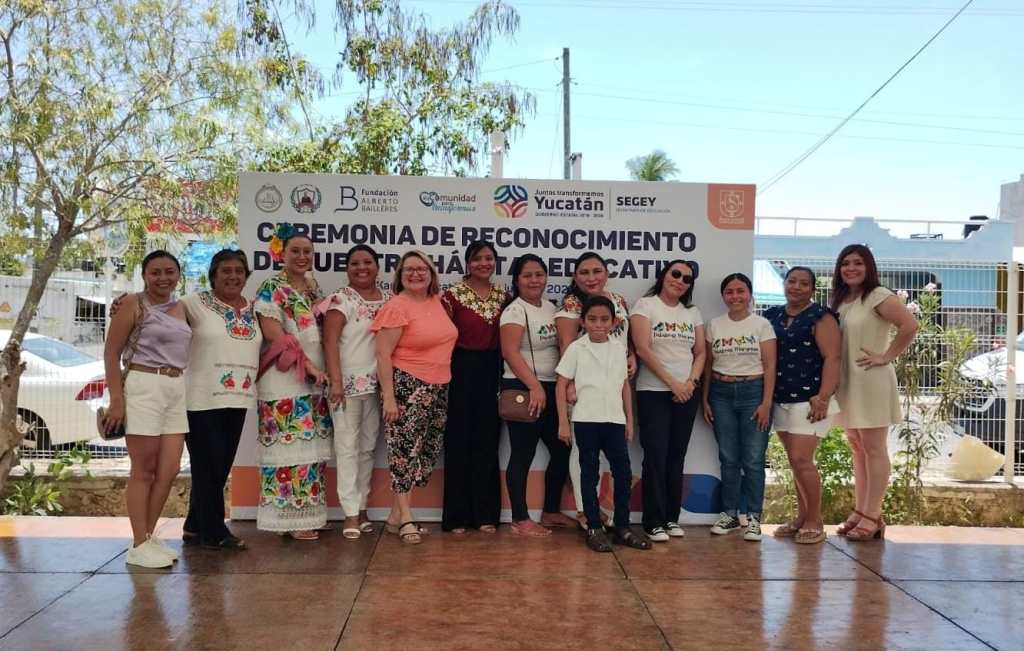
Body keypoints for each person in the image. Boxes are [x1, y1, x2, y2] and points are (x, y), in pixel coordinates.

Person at [103, 250, 192, 568]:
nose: (163, 278)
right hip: (143, 384)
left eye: (170, 271)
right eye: (156, 272)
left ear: (178, 274)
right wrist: (117, 400)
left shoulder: (181, 307)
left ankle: (149, 537)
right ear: (144, 275)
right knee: (144, 470)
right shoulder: (132, 304)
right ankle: (139, 543)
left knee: (169, 471)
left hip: (175, 386)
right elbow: (111, 353)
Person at [831, 244, 918, 542]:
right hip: (849, 381)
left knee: (873, 447)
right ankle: (862, 511)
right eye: (845, 263)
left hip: (871, 379)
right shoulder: (844, 299)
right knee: (857, 445)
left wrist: (887, 356)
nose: (850, 268)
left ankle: (873, 515)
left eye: (857, 263)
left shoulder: (878, 296)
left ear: (869, 267)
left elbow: (909, 325)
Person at [372, 250, 457, 545]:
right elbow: (382, 354)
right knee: (403, 452)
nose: (416, 274)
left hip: (438, 387)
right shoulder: (397, 306)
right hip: (407, 386)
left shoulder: (438, 302)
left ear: (431, 274)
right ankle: (407, 516)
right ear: (400, 275)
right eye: (409, 269)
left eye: (422, 269)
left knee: (423, 453)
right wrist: (390, 398)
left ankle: (395, 517)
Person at [253, 224, 333, 540]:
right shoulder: (272, 287)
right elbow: (275, 333)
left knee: (310, 450)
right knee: (290, 450)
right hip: (285, 380)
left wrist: (319, 370)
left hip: (314, 382)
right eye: (295, 251)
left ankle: (308, 513)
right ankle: (290, 520)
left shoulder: (313, 289)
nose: (302, 257)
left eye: (307, 252)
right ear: (281, 254)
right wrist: (309, 365)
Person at [180, 249, 262, 550]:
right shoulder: (193, 304)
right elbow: (156, 315)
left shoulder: (255, 308)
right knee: (208, 463)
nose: (232, 276)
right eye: (226, 270)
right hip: (200, 398)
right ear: (213, 275)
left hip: (238, 397)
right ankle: (215, 531)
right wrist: (128, 302)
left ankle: (193, 525)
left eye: (239, 271)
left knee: (218, 464)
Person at [556, 296, 651, 553]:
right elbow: (561, 384)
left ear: (615, 322)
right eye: (592, 319)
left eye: (604, 320)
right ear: (583, 322)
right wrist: (563, 423)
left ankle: (622, 526)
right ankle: (594, 527)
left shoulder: (618, 349)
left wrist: (629, 419)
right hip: (586, 419)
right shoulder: (577, 348)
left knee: (622, 473)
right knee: (589, 474)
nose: (599, 325)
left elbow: (624, 387)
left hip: (614, 420)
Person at [555, 251, 634, 529]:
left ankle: (604, 511)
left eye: (597, 271)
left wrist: (632, 356)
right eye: (584, 272)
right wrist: (573, 385)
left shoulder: (619, 301)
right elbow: (566, 344)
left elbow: (625, 338)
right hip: (582, 390)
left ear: (606, 273)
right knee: (583, 454)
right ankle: (583, 511)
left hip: (611, 389)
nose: (591, 278)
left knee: (612, 459)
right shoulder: (571, 303)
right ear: (576, 276)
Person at [764, 266, 840, 545]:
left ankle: (814, 521)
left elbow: (833, 357)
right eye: (791, 281)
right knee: (795, 462)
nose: (796, 287)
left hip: (811, 401)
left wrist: (823, 396)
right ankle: (801, 517)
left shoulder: (821, 316)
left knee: (801, 459)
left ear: (812, 288)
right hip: (781, 398)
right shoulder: (772, 315)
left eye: (803, 283)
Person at [630, 260, 706, 542]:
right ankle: (653, 521)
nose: (680, 280)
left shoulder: (692, 312)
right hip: (654, 392)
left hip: (687, 393)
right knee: (655, 456)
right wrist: (673, 383)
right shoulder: (645, 305)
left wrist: (690, 383)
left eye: (686, 278)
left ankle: (671, 518)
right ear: (664, 275)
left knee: (677, 456)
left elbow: (700, 353)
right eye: (675, 274)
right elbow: (642, 349)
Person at [500, 254, 575, 536]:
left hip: (551, 387)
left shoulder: (551, 308)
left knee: (562, 449)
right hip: (522, 388)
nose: (534, 280)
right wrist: (533, 386)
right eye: (527, 275)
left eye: (539, 274)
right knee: (523, 453)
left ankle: (551, 512)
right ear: (517, 280)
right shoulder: (514, 311)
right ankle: (520, 518)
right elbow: (510, 351)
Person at [319, 244, 392, 540]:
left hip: (378, 386)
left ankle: (361, 508)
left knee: (367, 448)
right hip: (346, 386)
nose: (362, 268)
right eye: (355, 264)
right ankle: (348, 513)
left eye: (367, 262)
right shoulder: (341, 300)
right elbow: (329, 343)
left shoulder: (389, 300)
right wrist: (335, 381)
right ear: (347, 269)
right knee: (347, 448)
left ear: (377, 266)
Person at [702, 272, 777, 542]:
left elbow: (770, 367)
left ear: (749, 294)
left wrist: (766, 403)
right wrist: (706, 399)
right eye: (730, 292)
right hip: (721, 393)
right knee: (728, 458)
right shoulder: (715, 325)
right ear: (723, 296)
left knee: (754, 459)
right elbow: (708, 366)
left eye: (740, 291)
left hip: (753, 392)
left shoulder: (762, 325)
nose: (735, 296)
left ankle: (754, 517)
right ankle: (730, 514)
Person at [440, 241, 507, 534]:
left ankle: (485, 514)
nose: (484, 263)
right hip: (460, 369)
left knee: (488, 440)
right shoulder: (451, 295)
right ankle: (456, 516)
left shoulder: (504, 295)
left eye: (489, 258)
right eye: (477, 258)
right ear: (467, 263)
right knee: (458, 441)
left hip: (493, 369)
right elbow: (442, 337)